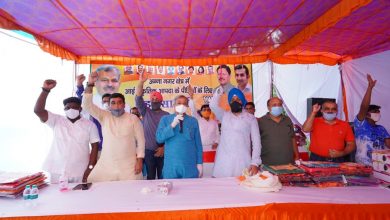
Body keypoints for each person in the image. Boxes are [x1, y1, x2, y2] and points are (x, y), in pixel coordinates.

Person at [82, 72, 145, 182]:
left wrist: (140, 160)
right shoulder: (104, 116)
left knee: (131, 193)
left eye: (119, 103)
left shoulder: (133, 118)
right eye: (113, 103)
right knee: (96, 186)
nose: (116, 106)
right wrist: (90, 84)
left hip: (129, 166)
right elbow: (87, 105)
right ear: (109, 106)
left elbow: (141, 141)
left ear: (124, 105)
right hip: (107, 165)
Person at [34, 79, 100, 183]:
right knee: (58, 198)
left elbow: (95, 148)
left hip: (81, 171)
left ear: (80, 109)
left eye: (74, 107)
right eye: (67, 107)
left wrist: (90, 169)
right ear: (64, 109)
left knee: (80, 198)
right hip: (57, 171)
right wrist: (45, 90)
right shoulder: (56, 120)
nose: (71, 109)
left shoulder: (90, 125)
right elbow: (38, 111)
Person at [210, 87, 261, 177]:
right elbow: (213, 105)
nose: (235, 102)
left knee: (242, 188)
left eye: (238, 99)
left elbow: (256, 142)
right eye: (232, 100)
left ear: (242, 101)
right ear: (229, 102)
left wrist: (255, 162)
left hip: (243, 160)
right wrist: (218, 92)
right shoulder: (224, 116)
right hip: (224, 162)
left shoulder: (250, 118)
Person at [156, 95, 203, 179]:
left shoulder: (193, 121)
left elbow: (198, 144)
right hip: (171, 166)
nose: (182, 106)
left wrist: (199, 163)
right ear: (174, 105)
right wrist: (172, 125)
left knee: (189, 190)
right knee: (172, 191)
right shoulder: (165, 119)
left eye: (184, 104)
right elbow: (159, 138)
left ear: (187, 106)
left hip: (189, 165)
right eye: (179, 103)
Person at [135, 72, 169, 180]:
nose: (155, 101)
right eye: (153, 99)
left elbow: (170, 134)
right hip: (148, 151)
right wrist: (141, 82)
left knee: (163, 177)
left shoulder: (167, 115)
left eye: (157, 99)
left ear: (161, 101)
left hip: (163, 151)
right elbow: (138, 98)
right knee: (150, 178)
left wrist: (163, 147)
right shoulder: (145, 112)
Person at [354, 74, 390, 166]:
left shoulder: (381, 128)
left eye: (378, 111)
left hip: (380, 165)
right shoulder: (360, 124)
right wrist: (370, 88)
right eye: (375, 111)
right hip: (364, 165)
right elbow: (364, 107)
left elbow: (388, 144)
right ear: (367, 114)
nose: (378, 113)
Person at [188, 85, 220, 177]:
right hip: (200, 148)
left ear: (210, 112)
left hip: (212, 149)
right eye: (204, 110)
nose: (206, 111)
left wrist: (217, 142)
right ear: (201, 112)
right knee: (201, 171)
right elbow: (193, 110)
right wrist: (191, 97)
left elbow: (218, 134)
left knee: (211, 170)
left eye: (208, 109)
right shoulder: (197, 120)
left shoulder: (214, 122)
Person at [258, 97, 299, 165]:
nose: (278, 107)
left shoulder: (287, 120)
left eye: (280, 104)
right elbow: (255, 143)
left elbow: (293, 138)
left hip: (288, 163)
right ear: (268, 107)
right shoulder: (261, 121)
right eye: (274, 105)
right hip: (268, 163)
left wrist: (297, 156)